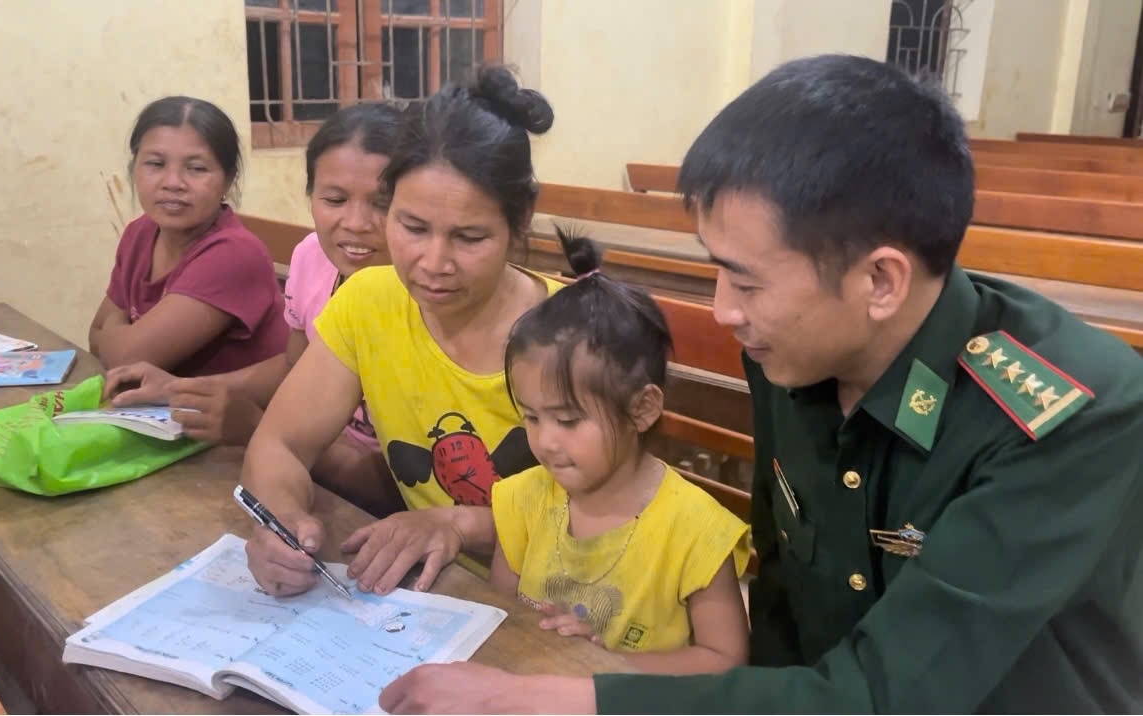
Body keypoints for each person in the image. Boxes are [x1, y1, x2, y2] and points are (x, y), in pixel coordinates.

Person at [378, 54, 1143, 714]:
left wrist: (544, 696)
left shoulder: (1070, 422)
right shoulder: (789, 351)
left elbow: (879, 697)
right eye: (716, 271)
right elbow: (783, 604)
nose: (723, 311)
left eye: (745, 281)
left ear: (880, 281)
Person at [241, 65, 563, 598]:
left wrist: (458, 524)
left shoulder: (572, 337)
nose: (434, 263)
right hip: (438, 598)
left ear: (521, 217)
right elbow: (280, 444)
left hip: (562, 609)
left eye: (469, 237)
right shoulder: (369, 303)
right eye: (412, 227)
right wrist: (282, 521)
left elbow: (605, 515)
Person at [102, 102, 404, 516]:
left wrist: (258, 427)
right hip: (309, 462)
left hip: (371, 491)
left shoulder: (425, 300)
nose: (355, 222)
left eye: (382, 203)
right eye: (334, 199)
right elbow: (293, 366)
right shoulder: (313, 257)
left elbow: (402, 488)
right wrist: (181, 391)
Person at [494, 227, 751, 674]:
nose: (545, 441)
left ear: (642, 409)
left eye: (568, 420)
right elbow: (499, 618)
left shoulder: (696, 531)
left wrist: (606, 666)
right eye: (531, 417)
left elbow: (724, 661)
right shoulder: (522, 500)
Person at [88, 96, 287, 377]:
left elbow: (126, 359)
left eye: (196, 168)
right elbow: (94, 335)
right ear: (134, 169)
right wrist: (118, 336)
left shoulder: (234, 254)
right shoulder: (140, 233)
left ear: (228, 179)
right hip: (155, 402)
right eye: (155, 164)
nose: (173, 183)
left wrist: (116, 323)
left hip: (249, 406)